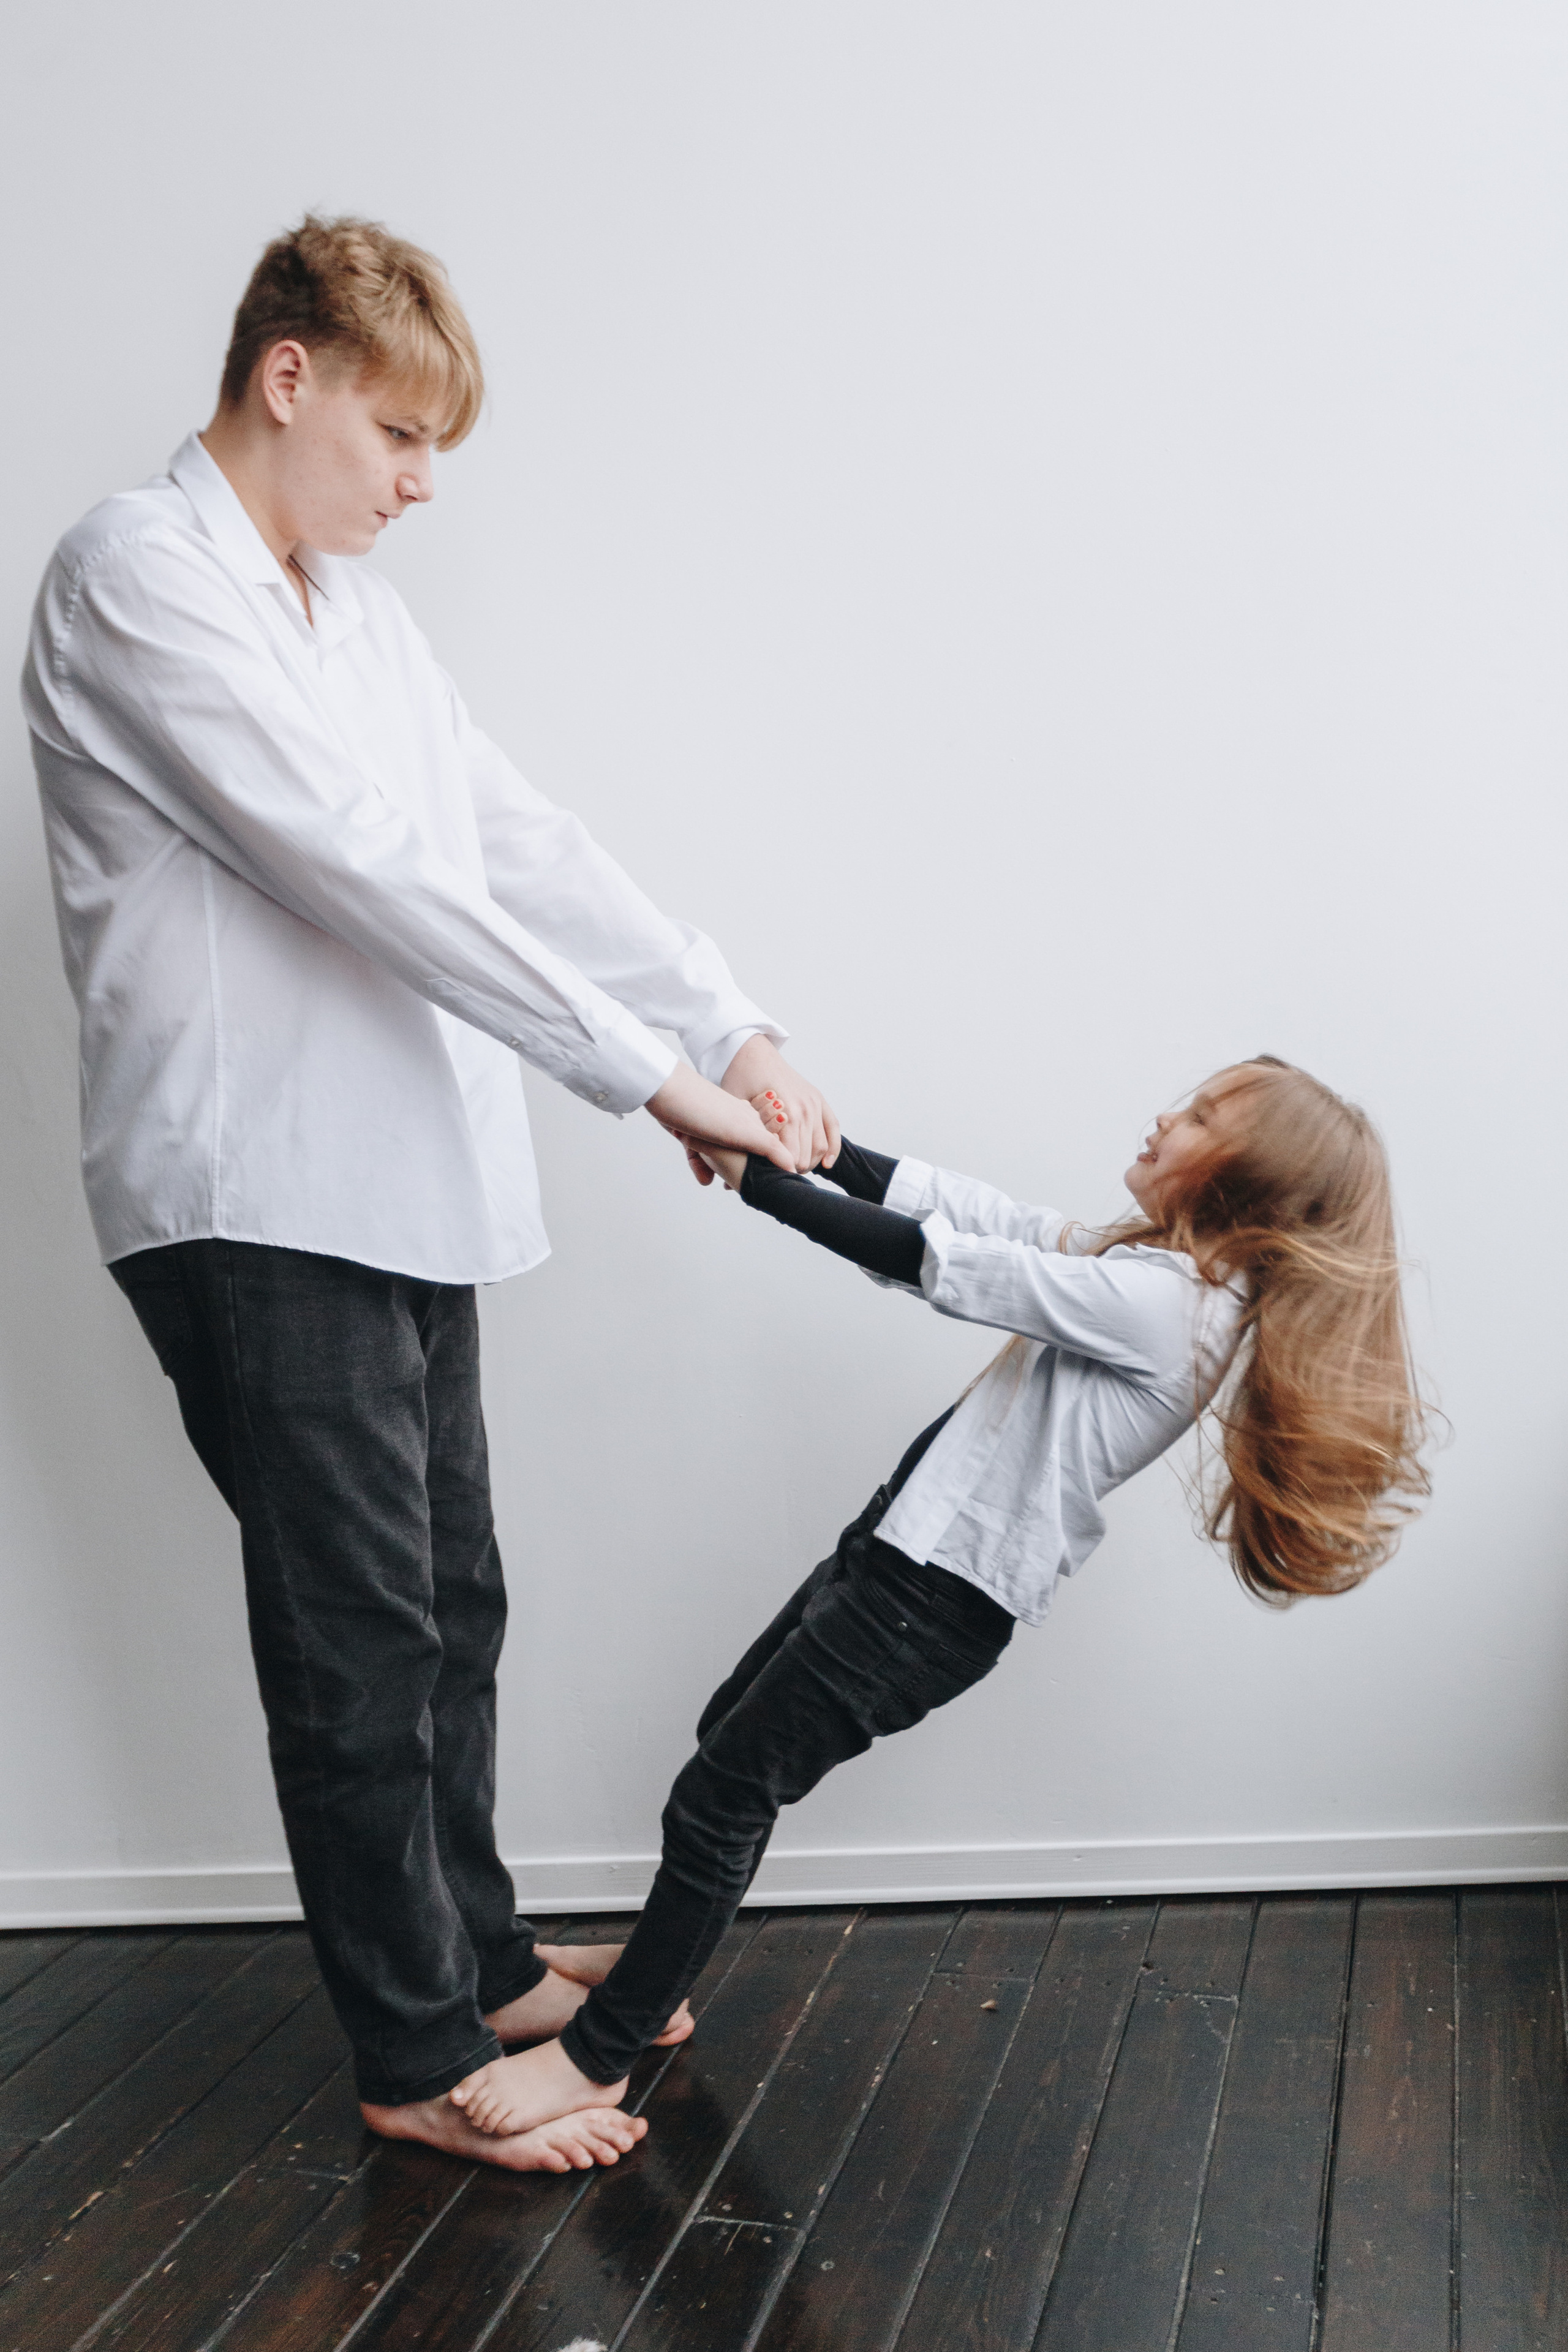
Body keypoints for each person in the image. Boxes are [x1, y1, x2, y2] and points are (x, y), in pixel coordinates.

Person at [22, 214, 840, 2174]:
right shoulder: (140, 579)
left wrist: (724, 1023)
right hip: (252, 1192)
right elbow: (359, 869)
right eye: (396, 432)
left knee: (450, 1601)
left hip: (396, 1182)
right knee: (357, 1630)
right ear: (286, 375)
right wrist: (633, 1074)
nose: (417, 480)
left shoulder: (352, 613)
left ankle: (468, 1960)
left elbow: (508, 837)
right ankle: (414, 2051)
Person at [442, 1055, 1430, 2140]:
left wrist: (755, 1178)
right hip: (902, 1558)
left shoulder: (1170, 1309)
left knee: (723, 1793)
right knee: (728, 1736)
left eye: (1200, 1116)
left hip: (930, 1600)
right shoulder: (1144, 1267)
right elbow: (976, 1216)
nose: (1164, 1111)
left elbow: (944, 1264)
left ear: (1247, 1185)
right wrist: (813, 1153)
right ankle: (652, 1976)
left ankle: (599, 2055)